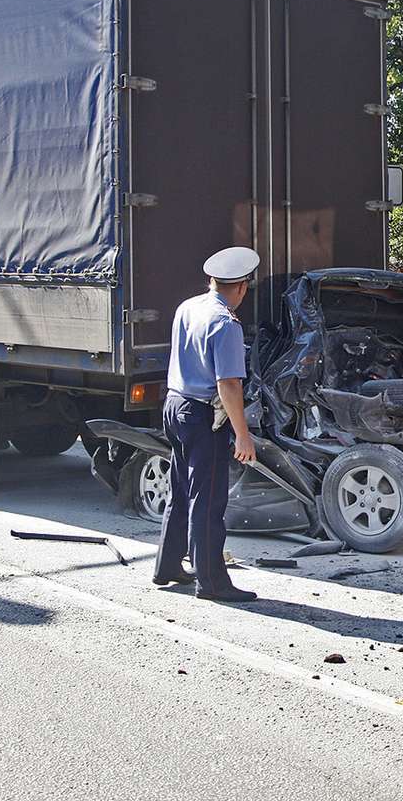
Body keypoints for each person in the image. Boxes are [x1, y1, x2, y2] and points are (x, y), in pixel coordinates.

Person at [154, 245, 261, 603]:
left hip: (174, 405)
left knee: (182, 491)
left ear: (212, 280)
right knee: (208, 500)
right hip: (202, 418)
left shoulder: (189, 307)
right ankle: (212, 582)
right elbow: (228, 384)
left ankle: (167, 566)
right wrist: (243, 436)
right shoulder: (226, 323)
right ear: (242, 287)